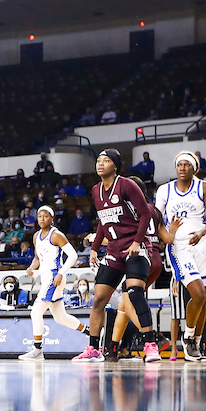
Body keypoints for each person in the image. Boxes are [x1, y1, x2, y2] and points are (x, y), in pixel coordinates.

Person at [73, 149, 152, 361]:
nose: (100, 164)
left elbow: (145, 213)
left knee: (135, 292)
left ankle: (151, 345)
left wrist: (137, 241)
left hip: (134, 246)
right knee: (98, 298)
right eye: (98, 161)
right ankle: (93, 348)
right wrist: (94, 248)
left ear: (115, 166)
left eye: (106, 161)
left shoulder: (126, 184)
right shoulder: (96, 190)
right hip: (114, 250)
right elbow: (103, 221)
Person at [154, 151, 206, 361]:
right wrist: (168, 235)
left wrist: (202, 233)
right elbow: (155, 218)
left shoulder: (203, 187)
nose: (182, 168)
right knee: (198, 294)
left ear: (194, 168)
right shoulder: (165, 190)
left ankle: (194, 345)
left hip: (201, 245)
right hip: (179, 246)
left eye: (186, 165)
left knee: (203, 300)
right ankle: (188, 337)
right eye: (179, 165)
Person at [107, 179, 178, 362]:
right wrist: (174, 230)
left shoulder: (131, 209)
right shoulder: (154, 210)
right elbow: (168, 239)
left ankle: (154, 337)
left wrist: (97, 240)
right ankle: (113, 349)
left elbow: (122, 237)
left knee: (129, 300)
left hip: (141, 256)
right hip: (156, 260)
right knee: (124, 305)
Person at [19, 207, 89, 360]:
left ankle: (37, 350)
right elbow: (38, 257)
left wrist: (61, 273)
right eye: (39, 216)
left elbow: (73, 256)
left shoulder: (56, 235)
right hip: (46, 277)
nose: (42, 219)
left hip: (54, 277)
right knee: (60, 317)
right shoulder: (36, 236)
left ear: (52, 218)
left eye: (46, 216)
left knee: (36, 312)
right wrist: (31, 267)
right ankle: (92, 332)